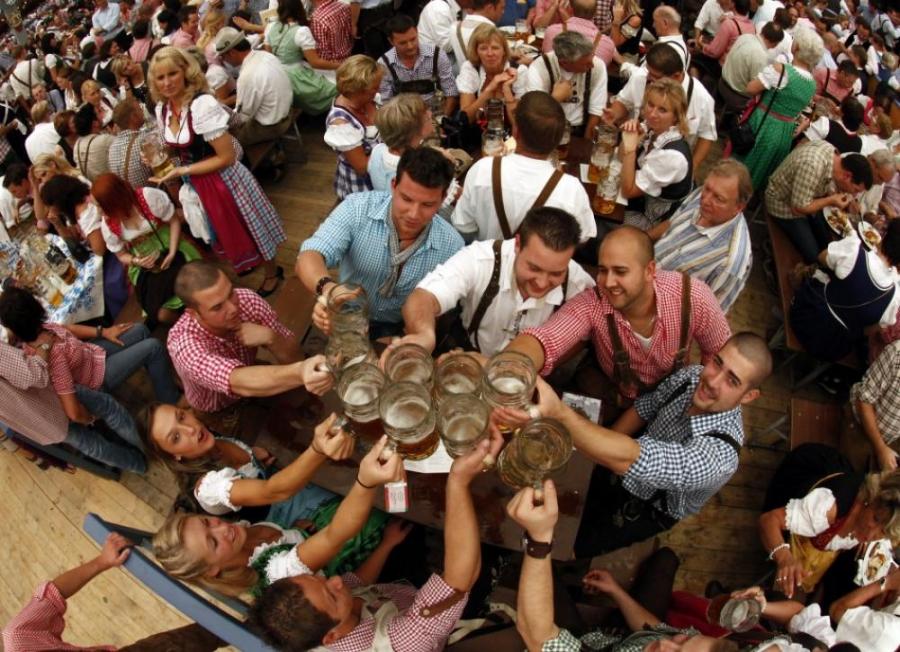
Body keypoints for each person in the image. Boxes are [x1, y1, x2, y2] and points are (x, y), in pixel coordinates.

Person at [509, 331, 772, 559]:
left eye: (732, 381)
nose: (713, 381)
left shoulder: (721, 457)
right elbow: (645, 409)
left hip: (649, 504)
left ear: (749, 396)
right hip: (628, 452)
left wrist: (560, 414)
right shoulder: (692, 376)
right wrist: (590, 462)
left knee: (568, 544)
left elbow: (635, 460)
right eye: (717, 363)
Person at [249, 431, 504, 651]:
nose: (336, 580)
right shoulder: (401, 643)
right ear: (331, 636)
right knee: (487, 544)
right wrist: (458, 481)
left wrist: (386, 545)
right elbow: (458, 581)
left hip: (400, 592)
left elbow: (358, 582)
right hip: (438, 615)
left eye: (319, 577)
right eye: (332, 593)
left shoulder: (325, 610)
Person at [505, 226, 732, 420]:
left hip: (671, 398)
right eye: (603, 271)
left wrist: (694, 404)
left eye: (620, 271)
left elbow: (719, 354)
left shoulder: (692, 296)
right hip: (611, 391)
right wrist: (509, 368)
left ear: (649, 270)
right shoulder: (592, 303)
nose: (608, 282)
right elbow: (545, 339)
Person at [507, 483, 750, 651]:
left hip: (581, 642)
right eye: (682, 641)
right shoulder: (692, 644)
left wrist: (539, 540)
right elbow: (658, 631)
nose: (666, 645)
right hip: (614, 639)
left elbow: (537, 636)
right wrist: (616, 591)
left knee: (534, 573)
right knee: (666, 558)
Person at [153, 436, 401, 598]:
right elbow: (338, 534)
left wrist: (295, 532)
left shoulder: (240, 537)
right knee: (384, 499)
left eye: (207, 522)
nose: (222, 529)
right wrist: (366, 481)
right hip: (349, 548)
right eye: (213, 542)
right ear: (214, 571)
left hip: (316, 529)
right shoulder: (276, 576)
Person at [147, 47, 286, 294]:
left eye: (172, 74)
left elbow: (227, 157)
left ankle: (273, 272)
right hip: (199, 182)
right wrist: (161, 159)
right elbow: (175, 146)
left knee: (251, 227)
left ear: (185, 72)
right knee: (227, 232)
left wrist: (182, 171)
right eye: (160, 77)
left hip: (226, 179)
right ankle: (248, 260)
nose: (167, 82)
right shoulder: (163, 110)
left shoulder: (202, 105)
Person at [298, 147, 464, 339]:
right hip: (347, 316)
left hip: (401, 326)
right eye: (406, 199)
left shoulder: (453, 246)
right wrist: (328, 290)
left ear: (443, 199)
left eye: (427, 205)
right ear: (393, 185)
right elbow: (310, 254)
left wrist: (412, 333)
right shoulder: (357, 208)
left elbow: (444, 305)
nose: (413, 214)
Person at [399, 207, 595, 356]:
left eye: (556, 273)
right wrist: (424, 335)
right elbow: (424, 297)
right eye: (534, 268)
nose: (542, 283)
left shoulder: (578, 284)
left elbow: (584, 336)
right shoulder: (480, 259)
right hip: (469, 356)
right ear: (517, 245)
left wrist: (548, 362)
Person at [166, 260, 331, 431]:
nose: (233, 309)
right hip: (216, 406)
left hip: (250, 372)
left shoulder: (247, 300)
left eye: (230, 293)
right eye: (217, 307)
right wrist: (301, 371)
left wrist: (271, 337)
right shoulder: (183, 344)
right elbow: (238, 382)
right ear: (194, 314)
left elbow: (295, 356)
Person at [2, 533, 225, 651]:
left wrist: (102, 561)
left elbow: (53, 594)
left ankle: (250, 626)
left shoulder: (19, 637)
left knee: (204, 635)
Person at [145, 403, 350, 526]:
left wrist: (253, 456)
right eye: (176, 437)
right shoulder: (209, 489)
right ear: (175, 456)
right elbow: (274, 492)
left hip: (288, 486)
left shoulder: (205, 438)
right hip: (286, 516)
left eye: (181, 416)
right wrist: (317, 448)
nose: (189, 429)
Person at [759, 443, 900, 600]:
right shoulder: (827, 508)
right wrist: (785, 558)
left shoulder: (873, 519)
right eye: (875, 518)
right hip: (801, 477)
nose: (871, 531)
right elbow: (769, 520)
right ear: (871, 499)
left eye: (884, 531)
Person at [452, 91, 596, 242]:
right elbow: (583, 238)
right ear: (560, 139)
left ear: (516, 131)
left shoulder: (482, 170)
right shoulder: (571, 190)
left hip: (488, 263)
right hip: (542, 265)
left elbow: (463, 227)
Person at [0, 336, 146, 474]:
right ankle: (150, 449)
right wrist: (44, 345)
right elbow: (34, 376)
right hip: (52, 399)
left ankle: (137, 465)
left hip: (40, 425)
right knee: (109, 409)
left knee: (93, 446)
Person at [92, 173, 202, 327]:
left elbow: (174, 221)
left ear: (114, 200)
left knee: (194, 288)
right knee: (161, 314)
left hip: (171, 245)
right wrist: (136, 261)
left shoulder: (147, 197)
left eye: (100, 205)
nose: (98, 211)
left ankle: (204, 315)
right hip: (145, 265)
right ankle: (193, 326)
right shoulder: (108, 224)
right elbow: (121, 255)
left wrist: (171, 251)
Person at [789, 219, 900, 363]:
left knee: (814, 272)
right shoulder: (894, 297)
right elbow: (869, 330)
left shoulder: (855, 250)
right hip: (832, 347)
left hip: (805, 315)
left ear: (883, 235)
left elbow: (822, 257)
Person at [651, 159, 753, 313]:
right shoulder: (702, 193)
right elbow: (671, 224)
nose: (705, 200)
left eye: (719, 199)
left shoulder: (730, 263)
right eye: (707, 188)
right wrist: (637, 240)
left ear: (738, 207)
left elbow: (707, 316)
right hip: (642, 269)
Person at [604, 43, 717, 174]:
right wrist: (614, 114)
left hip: (668, 167)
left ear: (676, 76)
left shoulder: (702, 98)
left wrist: (692, 167)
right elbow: (624, 102)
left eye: (655, 76)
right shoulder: (641, 76)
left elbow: (707, 135)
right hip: (633, 156)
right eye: (648, 72)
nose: (648, 78)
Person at [734, 27, 821, 191]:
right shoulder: (812, 84)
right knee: (761, 170)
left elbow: (751, 88)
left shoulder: (781, 71)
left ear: (797, 48)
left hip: (764, 123)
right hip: (784, 133)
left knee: (745, 163)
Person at [765, 141, 873, 264]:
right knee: (814, 255)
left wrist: (833, 195)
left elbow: (820, 185)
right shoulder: (813, 165)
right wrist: (831, 200)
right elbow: (799, 208)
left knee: (827, 242)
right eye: (855, 190)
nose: (853, 195)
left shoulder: (833, 155)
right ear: (847, 176)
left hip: (799, 200)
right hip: (781, 203)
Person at [620, 78, 693, 230]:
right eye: (650, 104)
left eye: (662, 110)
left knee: (601, 223)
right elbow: (620, 157)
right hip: (638, 200)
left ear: (676, 116)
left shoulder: (672, 157)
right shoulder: (653, 128)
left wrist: (631, 149)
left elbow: (627, 191)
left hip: (651, 221)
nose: (652, 114)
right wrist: (629, 136)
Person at [214, 28, 294, 148]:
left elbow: (242, 117)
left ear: (231, 53)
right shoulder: (266, 55)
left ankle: (261, 162)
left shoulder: (247, 75)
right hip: (287, 112)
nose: (224, 61)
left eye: (223, 57)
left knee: (222, 142)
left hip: (272, 126)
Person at [525, 31, 608, 137]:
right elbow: (534, 113)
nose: (592, 65)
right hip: (547, 129)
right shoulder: (539, 68)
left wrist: (586, 144)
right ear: (564, 62)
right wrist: (555, 99)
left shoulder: (597, 65)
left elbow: (596, 111)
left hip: (581, 130)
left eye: (592, 59)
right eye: (586, 64)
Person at [264, 0, 339, 115]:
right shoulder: (301, 31)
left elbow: (269, 56)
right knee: (337, 87)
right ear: (299, 9)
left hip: (276, 73)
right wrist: (340, 65)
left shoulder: (271, 27)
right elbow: (315, 62)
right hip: (295, 77)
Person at [324, 55, 383, 200]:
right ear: (358, 90)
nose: (378, 90)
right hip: (362, 187)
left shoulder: (370, 100)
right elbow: (362, 167)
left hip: (381, 176)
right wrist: (393, 153)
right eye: (374, 88)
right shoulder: (340, 123)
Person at [378, 14, 458, 116]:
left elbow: (451, 93)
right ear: (391, 41)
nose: (410, 46)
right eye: (403, 43)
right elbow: (386, 102)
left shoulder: (436, 55)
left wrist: (443, 120)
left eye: (413, 39)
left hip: (437, 116)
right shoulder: (384, 64)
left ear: (417, 31)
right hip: (404, 121)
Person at [457, 24, 529, 127]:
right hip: (477, 132)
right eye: (483, 48)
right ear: (476, 51)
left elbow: (517, 123)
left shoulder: (520, 71)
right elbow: (466, 119)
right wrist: (491, 88)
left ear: (504, 51)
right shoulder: (470, 68)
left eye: (495, 48)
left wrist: (507, 89)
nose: (490, 53)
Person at [719, 23, 786, 125]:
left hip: (722, 82)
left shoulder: (745, 37)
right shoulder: (760, 55)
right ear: (775, 44)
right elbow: (754, 88)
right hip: (736, 96)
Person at [367, 94, 436, 191]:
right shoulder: (420, 170)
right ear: (414, 131)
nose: (429, 113)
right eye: (427, 117)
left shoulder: (377, 150)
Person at [849, 341, 900, 471]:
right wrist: (881, 448)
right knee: (851, 474)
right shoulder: (896, 353)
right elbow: (864, 401)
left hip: (888, 438)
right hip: (859, 423)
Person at [542, 0, 619, 67]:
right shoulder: (607, 44)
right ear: (595, 13)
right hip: (589, 83)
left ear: (571, 9)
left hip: (555, 82)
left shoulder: (551, 32)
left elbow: (546, 61)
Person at [107, 98, 155, 190]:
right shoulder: (144, 141)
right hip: (152, 196)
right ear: (134, 117)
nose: (142, 110)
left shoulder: (112, 147)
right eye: (139, 109)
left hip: (133, 199)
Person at [800, 95, 865, 153]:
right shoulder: (858, 144)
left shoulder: (826, 123)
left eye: (840, 106)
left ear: (842, 113)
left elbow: (802, 145)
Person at [451, 0, 506, 66]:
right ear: (490, 8)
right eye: (502, 8)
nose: (503, 12)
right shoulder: (490, 30)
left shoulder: (455, 27)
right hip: (488, 75)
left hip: (464, 73)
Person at [73, 103, 114, 182]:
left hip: (95, 188)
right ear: (94, 123)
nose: (102, 115)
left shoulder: (77, 145)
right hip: (112, 184)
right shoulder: (104, 140)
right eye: (99, 112)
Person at [309, 0, 354, 65]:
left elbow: (322, 55)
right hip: (348, 58)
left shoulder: (318, 19)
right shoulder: (344, 6)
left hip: (331, 66)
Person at [650, 5, 689, 71]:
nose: (653, 25)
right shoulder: (680, 45)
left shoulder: (669, 49)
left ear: (665, 23)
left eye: (655, 21)